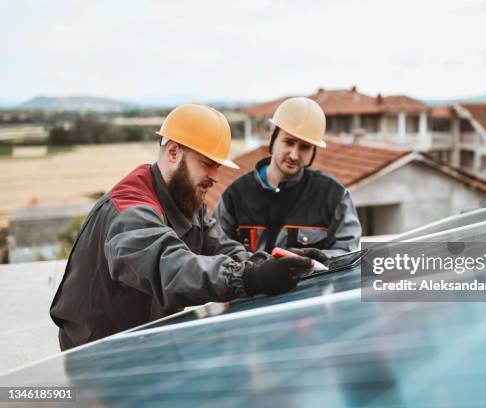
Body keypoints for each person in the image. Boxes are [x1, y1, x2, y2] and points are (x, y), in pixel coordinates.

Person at [50, 104, 313, 350]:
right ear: (174, 152)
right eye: (207, 164)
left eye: (218, 166)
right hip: (99, 352)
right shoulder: (129, 210)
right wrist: (248, 278)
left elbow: (222, 247)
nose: (216, 176)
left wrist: (280, 264)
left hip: (146, 338)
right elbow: (170, 267)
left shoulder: (185, 199)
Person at [214, 97, 361, 260]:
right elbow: (217, 251)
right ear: (272, 138)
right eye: (289, 142)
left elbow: (347, 252)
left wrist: (311, 261)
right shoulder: (235, 195)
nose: (294, 155)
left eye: (304, 147)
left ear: (313, 151)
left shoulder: (333, 196)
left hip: (312, 286)